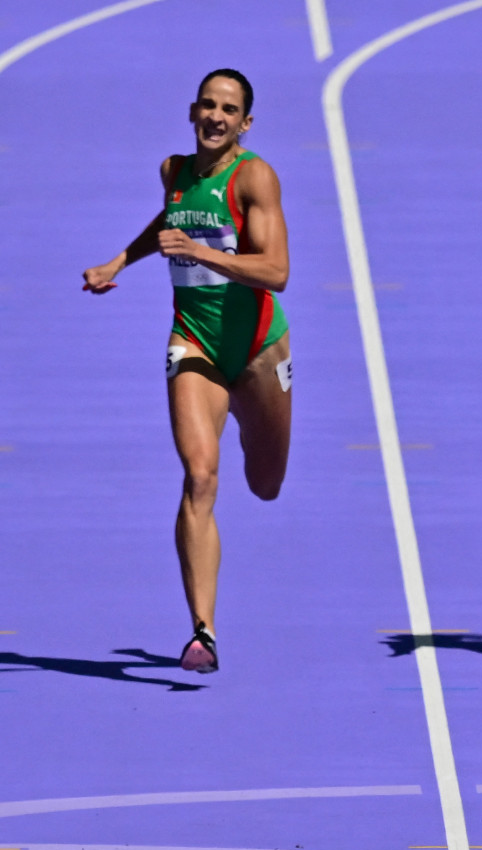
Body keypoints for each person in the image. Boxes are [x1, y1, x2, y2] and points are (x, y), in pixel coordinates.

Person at [82, 69, 292, 673]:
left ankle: (255, 425)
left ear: (244, 124)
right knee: (200, 477)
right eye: (208, 105)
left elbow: (276, 271)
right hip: (193, 344)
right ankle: (203, 632)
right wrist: (120, 258)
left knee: (266, 483)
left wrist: (201, 252)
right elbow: (168, 223)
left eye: (229, 109)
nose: (216, 117)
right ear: (193, 110)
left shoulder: (253, 178)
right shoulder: (174, 172)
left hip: (257, 351)